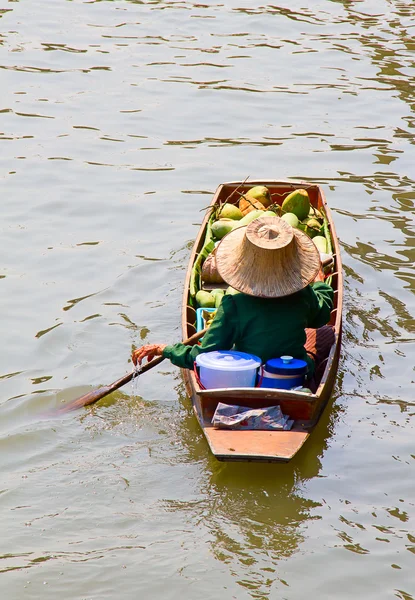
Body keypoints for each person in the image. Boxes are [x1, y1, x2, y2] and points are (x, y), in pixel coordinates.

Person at [132, 216, 334, 377]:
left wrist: (165, 349)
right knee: (325, 333)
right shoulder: (302, 294)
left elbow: (202, 357)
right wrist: (318, 282)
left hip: (247, 375)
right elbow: (322, 316)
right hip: (292, 373)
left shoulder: (234, 305)